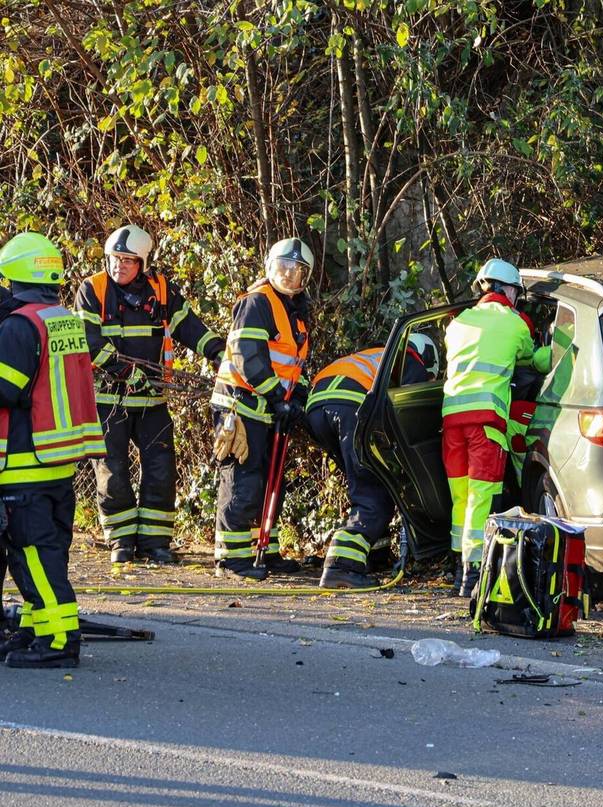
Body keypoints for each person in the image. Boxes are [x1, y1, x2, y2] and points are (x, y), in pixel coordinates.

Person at [75, 225, 225, 564]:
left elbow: (190, 325)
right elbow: (90, 343)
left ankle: (155, 542)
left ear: (143, 263)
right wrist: (127, 372)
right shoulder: (92, 289)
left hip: (152, 401)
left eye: (128, 261)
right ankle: (121, 541)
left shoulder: (160, 290)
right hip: (108, 400)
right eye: (115, 259)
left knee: (161, 469)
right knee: (112, 473)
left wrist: (217, 352)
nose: (119, 267)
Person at [0, 233, 105, 667]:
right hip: (57, 459)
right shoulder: (62, 319)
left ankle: (60, 641)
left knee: (33, 554)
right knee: (45, 554)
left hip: (24, 461)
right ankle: (37, 629)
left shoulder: (20, 326)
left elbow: (6, 389)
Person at [441, 258, 549, 597]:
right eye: (517, 291)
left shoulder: (457, 323)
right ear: (509, 290)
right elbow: (529, 359)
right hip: (486, 421)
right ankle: (473, 572)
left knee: (460, 496)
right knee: (482, 495)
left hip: (451, 420)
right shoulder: (516, 323)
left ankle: (458, 563)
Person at [210, 238, 312, 580]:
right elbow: (247, 356)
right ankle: (232, 557)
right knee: (244, 480)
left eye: (297, 272)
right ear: (270, 266)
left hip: (268, 408)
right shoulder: (258, 302)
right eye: (283, 267)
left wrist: (295, 394)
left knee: (271, 481)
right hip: (241, 405)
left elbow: (290, 363)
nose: (289, 276)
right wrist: (276, 397)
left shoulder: (295, 312)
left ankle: (262, 549)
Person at [304, 347, 396, 588]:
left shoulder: (375, 353)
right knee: (375, 487)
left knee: (361, 478)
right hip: (350, 406)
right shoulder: (409, 358)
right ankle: (342, 567)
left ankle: (374, 555)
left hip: (315, 406)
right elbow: (403, 411)